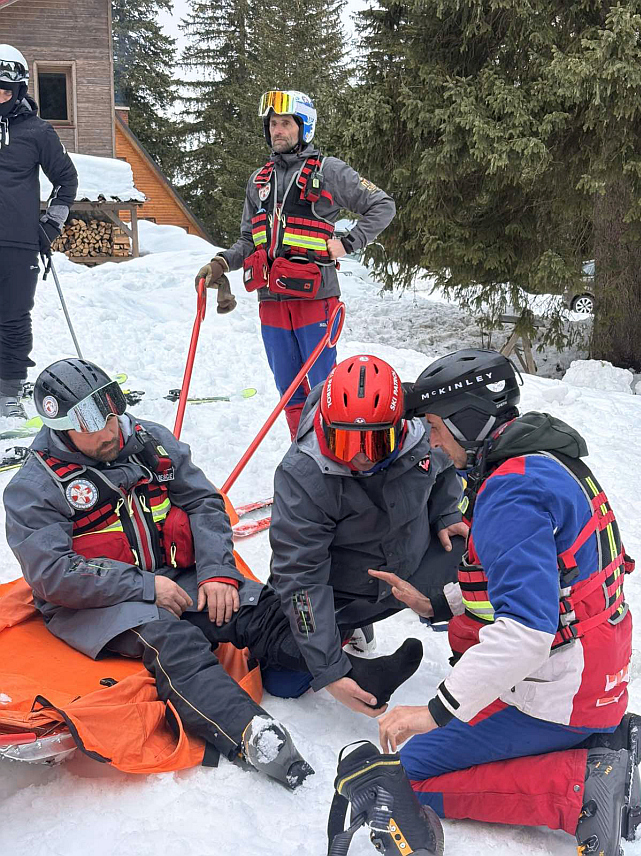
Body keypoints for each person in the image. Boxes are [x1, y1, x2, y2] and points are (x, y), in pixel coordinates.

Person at [3, 358, 421, 787]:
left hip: (174, 574)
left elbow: (205, 503)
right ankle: (252, 734)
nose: (110, 430)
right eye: (92, 425)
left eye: (112, 413)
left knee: (264, 610)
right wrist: (146, 588)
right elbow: (54, 572)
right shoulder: (35, 488)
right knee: (172, 640)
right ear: (61, 428)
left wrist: (218, 572)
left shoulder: (149, 442)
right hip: (101, 602)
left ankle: (357, 675)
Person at [375, 348, 640, 854]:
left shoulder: (510, 494)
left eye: (433, 426)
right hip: (596, 673)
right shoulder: (541, 463)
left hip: (563, 692)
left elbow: (525, 631)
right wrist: (438, 605)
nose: (430, 440)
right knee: (460, 722)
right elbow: (543, 581)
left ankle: (581, 785)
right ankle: (606, 743)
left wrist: (431, 712)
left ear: (468, 421)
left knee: (404, 775)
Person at [268, 354, 467, 716]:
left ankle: (477, 662)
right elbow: (299, 579)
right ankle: (348, 632)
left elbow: (444, 471)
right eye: (346, 443)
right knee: (282, 679)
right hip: (348, 588)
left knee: (479, 559)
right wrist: (329, 671)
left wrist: (446, 512)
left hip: (412, 567)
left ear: (400, 426)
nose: (360, 456)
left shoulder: (423, 437)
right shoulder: (303, 474)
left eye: (374, 443)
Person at [194, 90, 396, 438]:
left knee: (323, 390)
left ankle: (333, 453)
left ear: (304, 127)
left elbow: (382, 205)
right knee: (289, 391)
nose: (278, 130)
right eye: (273, 124)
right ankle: (302, 454)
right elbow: (248, 239)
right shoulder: (259, 180)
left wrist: (349, 242)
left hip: (315, 299)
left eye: (285, 123)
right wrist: (220, 264)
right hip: (271, 302)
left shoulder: (329, 171)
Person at [0, 45, 78, 418]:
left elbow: (66, 179)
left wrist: (51, 225)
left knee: (13, 317)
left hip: (18, 242)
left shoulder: (37, 131)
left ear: (19, 91)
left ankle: (8, 392)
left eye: (5, 91)